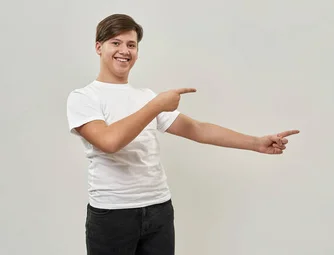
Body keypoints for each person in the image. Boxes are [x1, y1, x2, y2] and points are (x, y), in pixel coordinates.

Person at [66, 13, 299, 255]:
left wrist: (256, 143)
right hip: (113, 214)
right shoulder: (84, 97)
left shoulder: (144, 96)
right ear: (98, 47)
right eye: (116, 42)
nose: (124, 50)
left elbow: (197, 129)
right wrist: (156, 105)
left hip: (158, 209)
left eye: (131, 44)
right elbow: (109, 141)